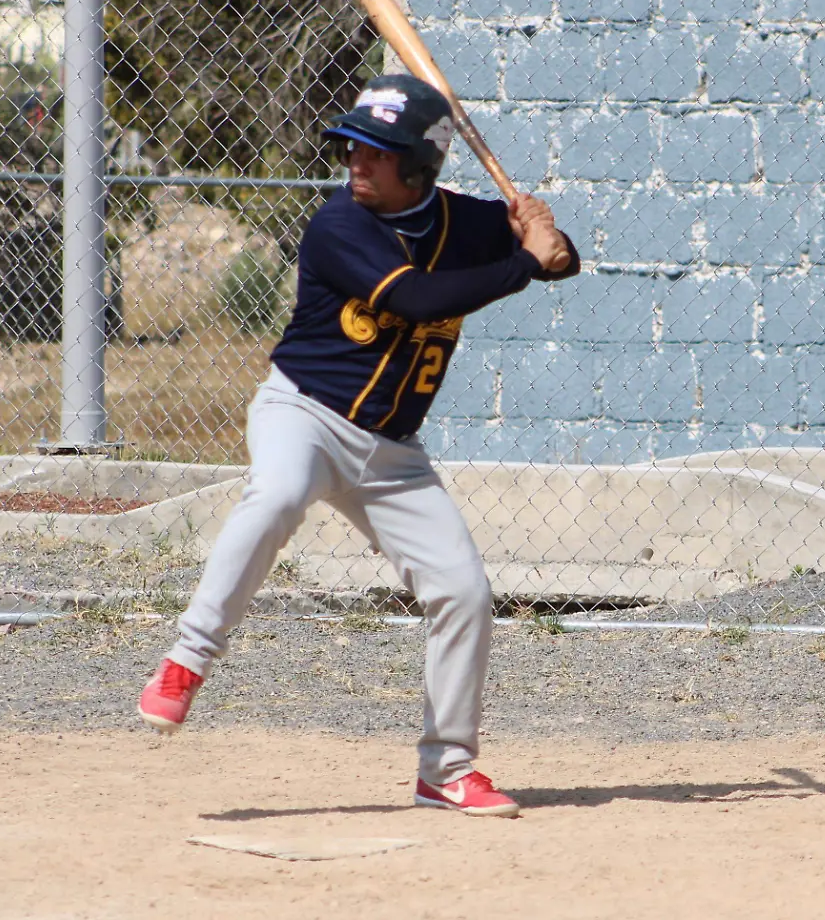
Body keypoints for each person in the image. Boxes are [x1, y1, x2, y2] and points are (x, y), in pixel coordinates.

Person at [137, 74, 579, 818]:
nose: (355, 162)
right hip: (303, 414)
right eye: (352, 146)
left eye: (377, 152)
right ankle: (187, 660)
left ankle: (446, 771)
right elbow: (421, 300)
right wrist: (528, 265)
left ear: (419, 167)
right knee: (277, 494)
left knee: (465, 596)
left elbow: (560, 261)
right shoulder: (337, 225)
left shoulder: (467, 224)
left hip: (392, 453)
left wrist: (547, 240)